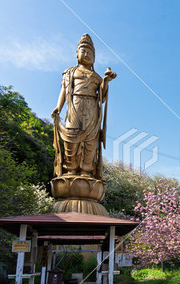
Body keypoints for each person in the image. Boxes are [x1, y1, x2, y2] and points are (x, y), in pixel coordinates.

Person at [51, 34, 116, 179]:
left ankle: (86, 171)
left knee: (91, 140)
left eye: (90, 53)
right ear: (77, 54)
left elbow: (102, 96)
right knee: (71, 137)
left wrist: (106, 81)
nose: (86, 55)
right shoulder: (70, 72)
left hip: (92, 106)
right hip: (75, 104)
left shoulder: (97, 76)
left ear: (94, 57)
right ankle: (70, 169)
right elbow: (64, 90)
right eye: (83, 51)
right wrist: (58, 108)